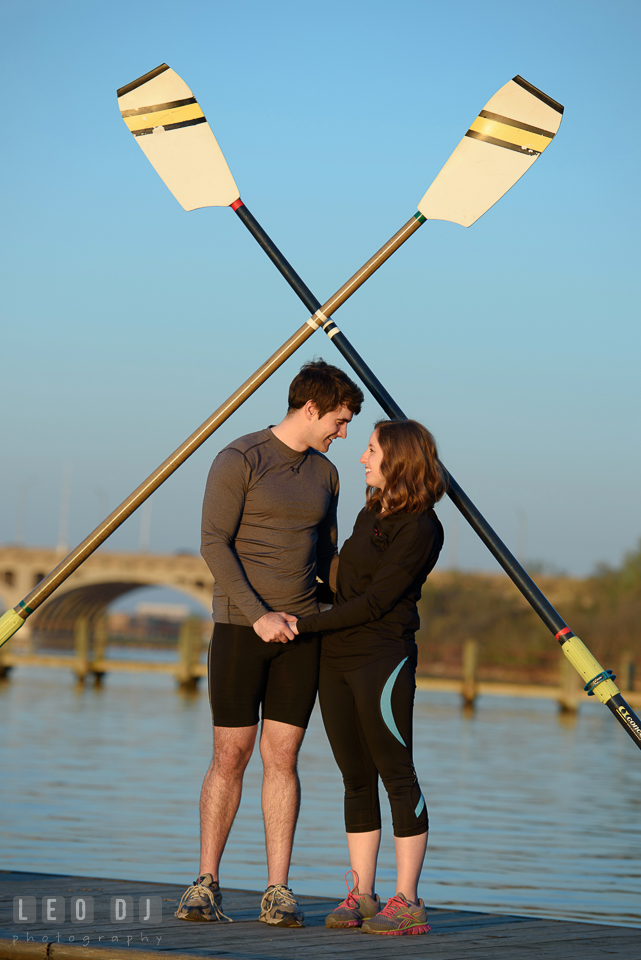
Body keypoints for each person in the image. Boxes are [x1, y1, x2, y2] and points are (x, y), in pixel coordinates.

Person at [174, 360, 363, 928]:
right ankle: (205, 882)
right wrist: (257, 616)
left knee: (284, 759)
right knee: (229, 755)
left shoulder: (326, 475)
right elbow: (213, 544)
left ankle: (277, 889)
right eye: (339, 419)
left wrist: (369, 593)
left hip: (302, 633)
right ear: (310, 409)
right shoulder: (239, 459)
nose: (343, 432)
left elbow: (326, 558)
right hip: (241, 628)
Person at [290, 419, 445, 936]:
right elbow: (343, 584)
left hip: (382, 658)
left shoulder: (422, 527)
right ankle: (364, 894)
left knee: (396, 774)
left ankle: (409, 900)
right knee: (355, 778)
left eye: (371, 449)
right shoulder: (370, 511)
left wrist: (302, 625)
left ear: (397, 459)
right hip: (335, 657)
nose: (362, 457)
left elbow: (377, 601)